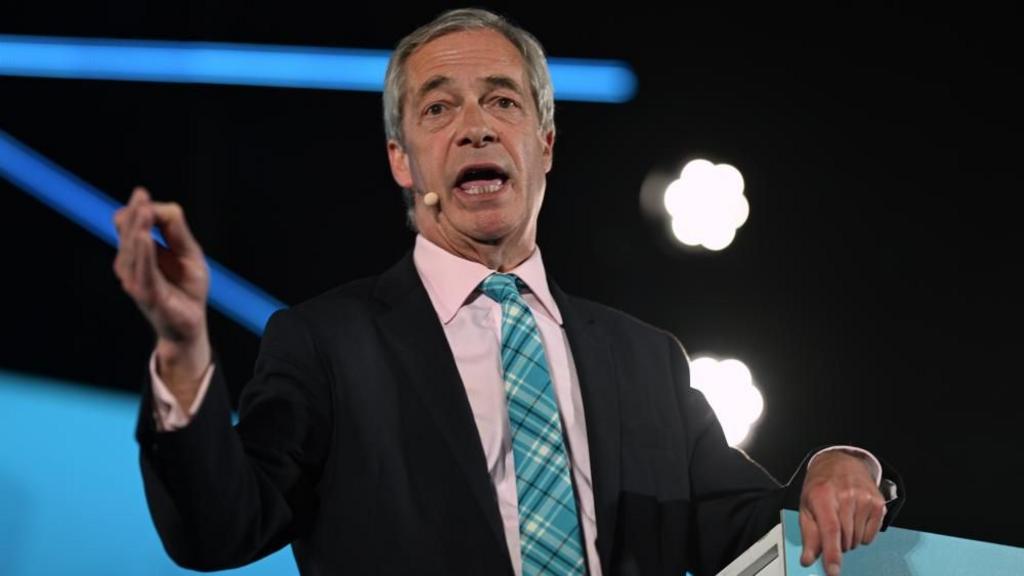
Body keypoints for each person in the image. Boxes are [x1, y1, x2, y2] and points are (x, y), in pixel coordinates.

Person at [113, 8, 901, 576]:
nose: (476, 127)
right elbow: (218, 529)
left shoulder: (646, 361)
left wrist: (836, 463)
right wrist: (184, 353)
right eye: (438, 108)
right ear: (401, 160)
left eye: (502, 101)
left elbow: (750, 534)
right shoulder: (327, 344)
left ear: (544, 143)